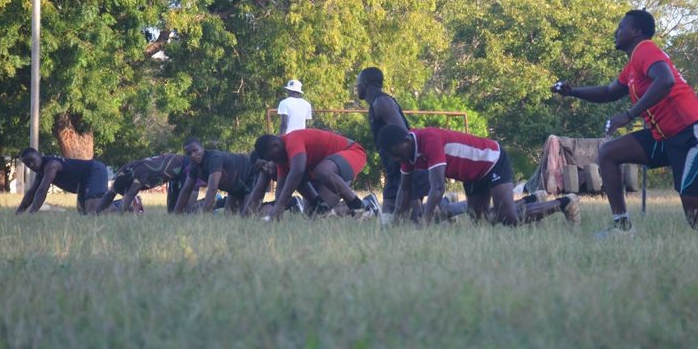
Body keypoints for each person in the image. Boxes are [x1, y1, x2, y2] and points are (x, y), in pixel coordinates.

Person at [552, 9, 698, 236]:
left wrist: (629, 115)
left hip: (693, 136)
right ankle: (622, 228)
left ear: (636, 31)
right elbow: (609, 92)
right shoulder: (632, 65)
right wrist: (572, 92)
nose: (616, 32)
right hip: (666, 136)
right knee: (609, 152)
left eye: (621, 27)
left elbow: (666, 80)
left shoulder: (645, 49)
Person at [377, 125, 580, 225]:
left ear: (405, 142)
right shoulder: (405, 153)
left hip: (492, 161)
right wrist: (395, 221)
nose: (394, 158)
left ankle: (564, 203)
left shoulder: (429, 140)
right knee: (482, 221)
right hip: (472, 176)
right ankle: (532, 200)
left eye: (394, 153)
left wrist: (425, 222)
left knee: (509, 219)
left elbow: (438, 188)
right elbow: (404, 189)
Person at [357, 67, 453, 223]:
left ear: (366, 83)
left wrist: (406, 170)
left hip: (404, 167)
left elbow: (404, 137)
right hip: (392, 169)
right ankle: (444, 205)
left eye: (358, 83)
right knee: (388, 219)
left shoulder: (382, 102)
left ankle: (449, 207)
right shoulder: (375, 104)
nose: (356, 87)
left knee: (413, 219)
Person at [247, 129, 379, 220]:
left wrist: (279, 207)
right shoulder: (282, 160)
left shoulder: (293, 140)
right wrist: (274, 213)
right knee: (314, 215)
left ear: (276, 145)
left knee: (318, 171)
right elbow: (280, 189)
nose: (274, 163)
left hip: (352, 153)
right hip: (327, 173)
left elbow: (298, 171)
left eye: (273, 158)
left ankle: (359, 206)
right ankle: (367, 204)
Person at [172, 138, 273, 214]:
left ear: (202, 147)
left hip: (251, 175)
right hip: (235, 188)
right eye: (189, 153)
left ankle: (272, 208)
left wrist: (204, 215)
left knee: (248, 214)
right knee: (229, 215)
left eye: (195, 150)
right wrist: (176, 214)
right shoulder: (194, 166)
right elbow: (186, 189)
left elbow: (212, 189)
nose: (193, 155)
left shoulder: (214, 158)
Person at [17, 148, 111, 214]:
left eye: (32, 160)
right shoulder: (41, 172)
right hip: (83, 181)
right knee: (85, 213)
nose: (31, 164)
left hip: (94, 170)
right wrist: (18, 214)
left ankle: (119, 205)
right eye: (27, 163)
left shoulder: (51, 165)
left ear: (40, 155)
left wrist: (31, 214)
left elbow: (42, 191)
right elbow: (31, 193)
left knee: (94, 211)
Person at [93, 154, 189, 214]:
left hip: (184, 166)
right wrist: (97, 213)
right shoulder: (123, 172)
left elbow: (129, 195)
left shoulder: (139, 175)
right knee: (172, 212)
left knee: (183, 210)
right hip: (174, 171)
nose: (124, 193)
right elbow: (110, 194)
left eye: (124, 191)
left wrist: (119, 217)